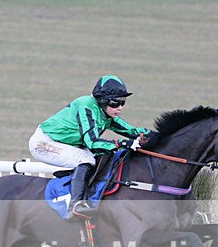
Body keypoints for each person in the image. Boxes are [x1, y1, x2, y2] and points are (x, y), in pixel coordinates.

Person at [29, 75, 150, 220]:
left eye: (122, 102)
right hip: (44, 143)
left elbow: (131, 131)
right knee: (85, 160)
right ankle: (75, 206)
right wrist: (120, 144)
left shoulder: (105, 113)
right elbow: (91, 142)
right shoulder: (86, 104)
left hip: (66, 144)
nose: (120, 108)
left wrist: (153, 135)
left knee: (99, 157)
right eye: (115, 103)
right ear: (102, 100)